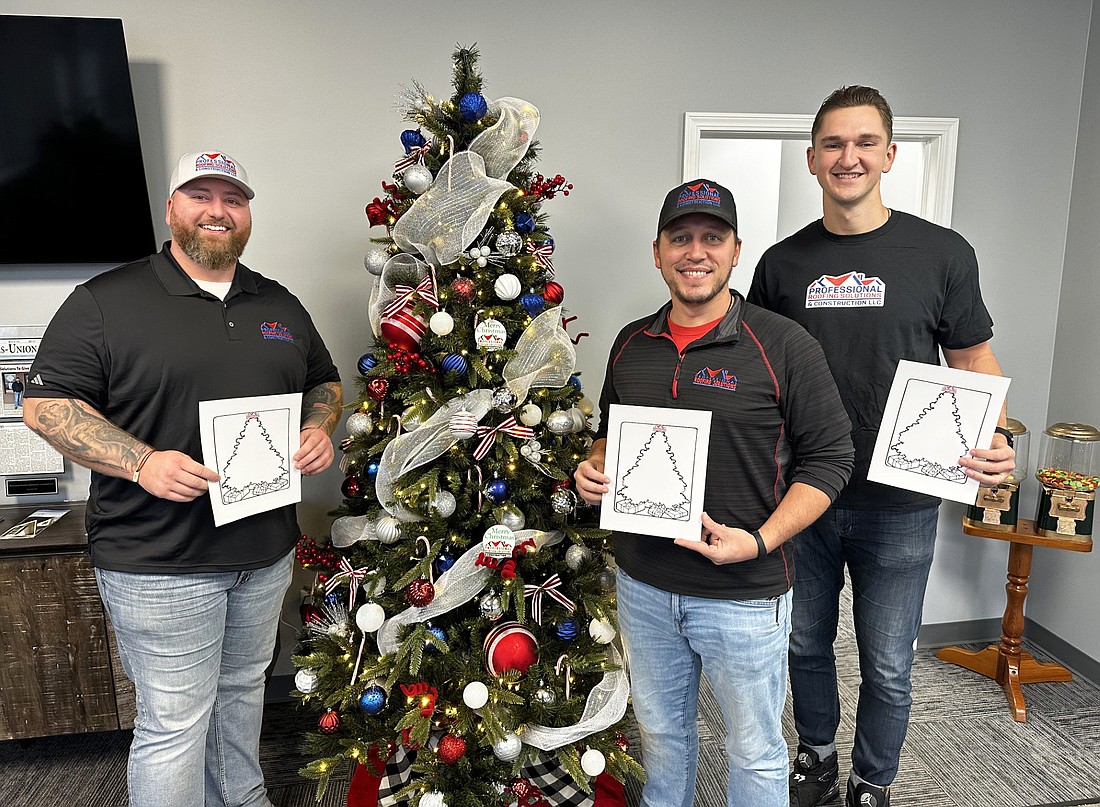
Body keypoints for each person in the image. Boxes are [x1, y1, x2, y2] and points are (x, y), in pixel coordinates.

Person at [23, 150, 343, 807]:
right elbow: (45, 406)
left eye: (234, 197)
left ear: (247, 213)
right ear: (172, 207)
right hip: (159, 562)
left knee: (242, 694)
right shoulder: (106, 300)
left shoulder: (276, 300)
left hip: (263, 551)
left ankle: (242, 796)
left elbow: (324, 378)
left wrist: (318, 426)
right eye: (201, 194)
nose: (218, 210)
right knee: (174, 724)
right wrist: (142, 461)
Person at [747, 86, 1016, 807]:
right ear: (811, 158)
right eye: (834, 143)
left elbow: (975, 365)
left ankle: (874, 780)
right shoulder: (781, 264)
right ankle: (819, 756)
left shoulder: (942, 253)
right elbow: (758, 378)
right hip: (803, 497)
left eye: (865, 142)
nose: (849, 156)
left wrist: (993, 437)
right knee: (802, 646)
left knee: (889, 663)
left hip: (902, 501)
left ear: (890, 154)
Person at [574, 179, 855, 807]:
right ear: (657, 252)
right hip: (643, 583)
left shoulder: (783, 345)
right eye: (680, 238)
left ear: (735, 252)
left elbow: (833, 458)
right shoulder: (630, 343)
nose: (695, 252)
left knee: (754, 750)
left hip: (743, 595)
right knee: (662, 734)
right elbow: (607, 434)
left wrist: (759, 541)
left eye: (712, 238)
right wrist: (593, 467)